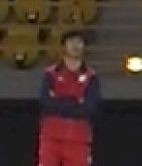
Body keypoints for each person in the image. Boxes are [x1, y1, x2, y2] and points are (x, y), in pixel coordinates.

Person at [37, 29, 101, 166]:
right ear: (64, 46)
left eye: (79, 42)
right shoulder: (51, 74)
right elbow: (45, 103)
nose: (75, 46)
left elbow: (89, 108)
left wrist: (59, 101)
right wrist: (74, 101)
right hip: (51, 137)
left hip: (79, 138)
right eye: (71, 42)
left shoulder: (91, 77)